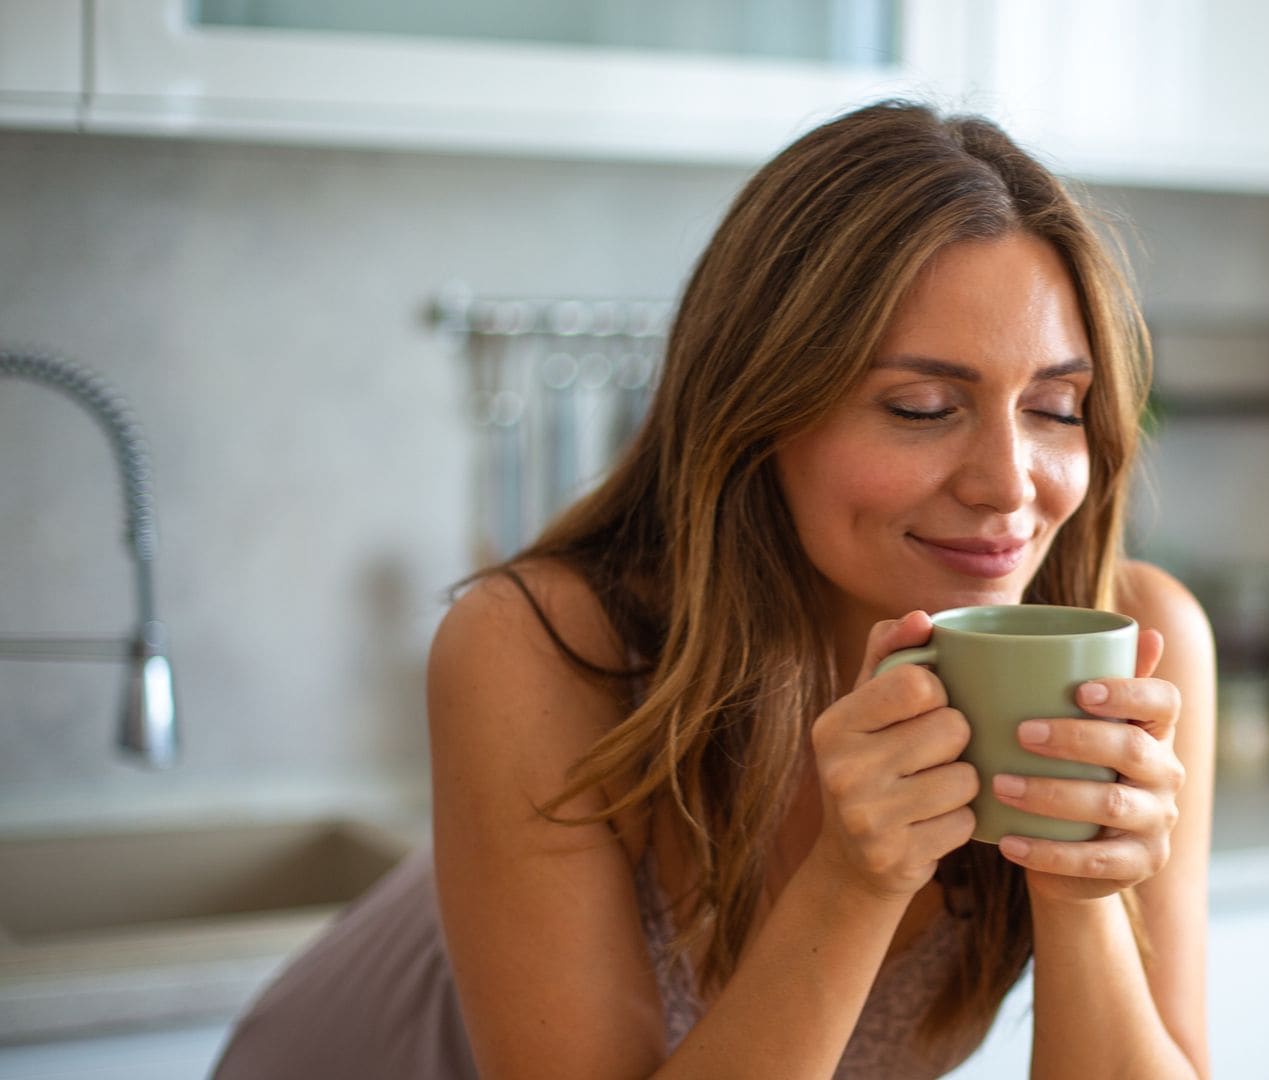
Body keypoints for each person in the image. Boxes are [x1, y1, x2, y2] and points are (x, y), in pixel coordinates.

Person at [213, 99, 1217, 1079]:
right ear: (759, 410)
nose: (1008, 483)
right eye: (920, 407)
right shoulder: (535, 650)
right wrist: (852, 881)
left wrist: (1081, 889)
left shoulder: (1141, 641)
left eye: (1054, 406)